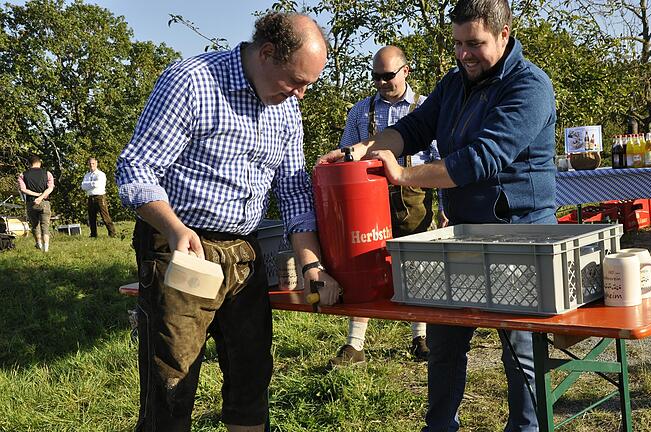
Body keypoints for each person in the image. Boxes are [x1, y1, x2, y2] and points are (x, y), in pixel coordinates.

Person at [318, 0, 557, 430]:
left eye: (475, 44)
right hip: (462, 234)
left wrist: (404, 175)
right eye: (458, 44)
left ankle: (527, 428)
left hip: (519, 235)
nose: (464, 54)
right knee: (445, 340)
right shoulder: (453, 84)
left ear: (504, 35)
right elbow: (411, 129)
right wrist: (361, 150)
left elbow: (482, 159)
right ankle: (440, 425)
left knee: (520, 349)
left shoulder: (530, 86)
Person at [116, 12, 341, 432]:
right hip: (181, 250)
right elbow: (135, 170)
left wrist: (311, 264)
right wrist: (173, 228)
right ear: (267, 53)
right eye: (295, 81)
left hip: (245, 252)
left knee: (252, 376)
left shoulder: (287, 108)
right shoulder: (192, 82)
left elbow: (293, 192)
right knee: (172, 381)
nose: (302, 94)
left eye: (309, 84)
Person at [330, 45, 447, 366]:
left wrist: (445, 207)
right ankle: (355, 345)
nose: (381, 82)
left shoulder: (426, 109)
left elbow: (442, 162)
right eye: (376, 77)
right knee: (365, 268)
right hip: (365, 201)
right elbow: (345, 159)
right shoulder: (359, 111)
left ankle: (419, 337)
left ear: (405, 71)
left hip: (414, 198)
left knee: (417, 267)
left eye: (388, 76)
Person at [17, 155, 55, 252]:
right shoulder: (47, 173)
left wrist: (36, 195)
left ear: (29, 164)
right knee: (45, 225)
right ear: (40, 162)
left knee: (35, 225)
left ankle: (39, 244)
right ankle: (46, 248)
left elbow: (23, 189)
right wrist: (41, 197)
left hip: (31, 203)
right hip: (45, 202)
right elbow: (50, 188)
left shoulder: (23, 175)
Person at [80, 157, 116, 238]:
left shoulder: (101, 174)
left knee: (105, 216)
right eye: (90, 164)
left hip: (99, 197)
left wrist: (88, 184)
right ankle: (93, 235)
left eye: (93, 163)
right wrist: (91, 184)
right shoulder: (87, 175)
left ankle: (112, 233)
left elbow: (97, 184)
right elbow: (83, 186)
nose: (91, 165)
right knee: (91, 218)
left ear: (96, 163)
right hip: (90, 197)